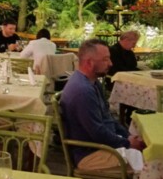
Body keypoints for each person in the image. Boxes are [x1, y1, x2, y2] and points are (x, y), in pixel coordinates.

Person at [60, 39, 143, 170]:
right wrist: (127, 143)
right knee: (151, 161)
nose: (110, 63)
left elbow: (108, 118)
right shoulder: (83, 91)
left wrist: (128, 136)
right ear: (89, 62)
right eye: (105, 59)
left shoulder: (92, 83)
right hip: (90, 154)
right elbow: (97, 133)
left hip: (101, 146)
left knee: (147, 148)